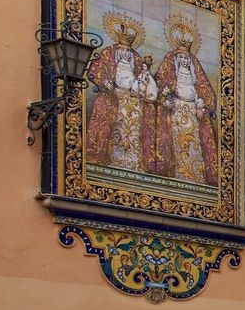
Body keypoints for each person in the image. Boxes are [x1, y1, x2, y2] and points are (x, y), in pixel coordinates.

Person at [84, 12, 152, 174]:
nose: (125, 53)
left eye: (127, 51)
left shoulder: (135, 58)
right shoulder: (108, 53)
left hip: (132, 99)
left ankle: (131, 161)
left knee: (134, 129)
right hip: (113, 96)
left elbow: (142, 78)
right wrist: (105, 83)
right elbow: (95, 70)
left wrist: (146, 70)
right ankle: (112, 158)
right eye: (122, 50)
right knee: (114, 124)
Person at [155, 12, 218, 188]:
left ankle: (195, 178)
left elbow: (204, 91)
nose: (183, 60)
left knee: (194, 146)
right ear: (176, 59)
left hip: (192, 111)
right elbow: (161, 86)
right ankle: (177, 175)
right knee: (177, 142)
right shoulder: (170, 69)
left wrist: (201, 106)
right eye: (180, 57)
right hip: (177, 109)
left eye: (186, 58)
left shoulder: (194, 73)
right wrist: (166, 99)